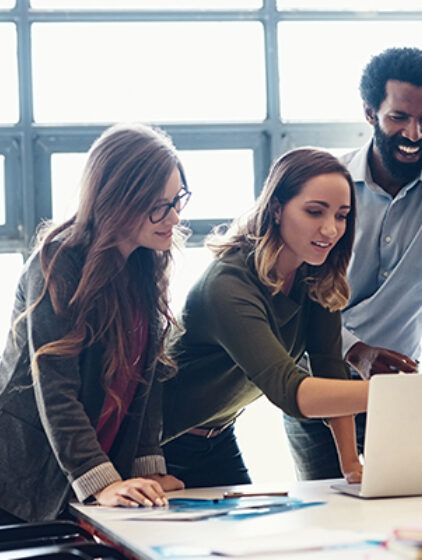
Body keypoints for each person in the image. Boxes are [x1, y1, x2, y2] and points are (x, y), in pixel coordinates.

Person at [283, 47, 422, 480]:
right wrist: (357, 352)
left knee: (401, 509)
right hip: (319, 381)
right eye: (399, 117)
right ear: (369, 113)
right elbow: (298, 296)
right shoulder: (330, 185)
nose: (415, 134)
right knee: (330, 516)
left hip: (398, 391)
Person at [0, 123, 187, 522]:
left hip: (84, 474)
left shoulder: (143, 265)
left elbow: (145, 381)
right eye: (159, 205)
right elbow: (55, 389)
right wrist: (101, 482)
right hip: (22, 478)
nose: (173, 218)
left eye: (176, 201)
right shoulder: (55, 265)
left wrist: (147, 469)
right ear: (118, 198)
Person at [161, 148, 370, 488]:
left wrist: (351, 464)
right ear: (276, 209)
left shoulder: (314, 276)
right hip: (161, 445)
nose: (331, 230)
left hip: (218, 436)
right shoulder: (228, 284)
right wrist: (391, 394)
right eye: (315, 212)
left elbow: (330, 368)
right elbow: (290, 391)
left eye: (342, 215)